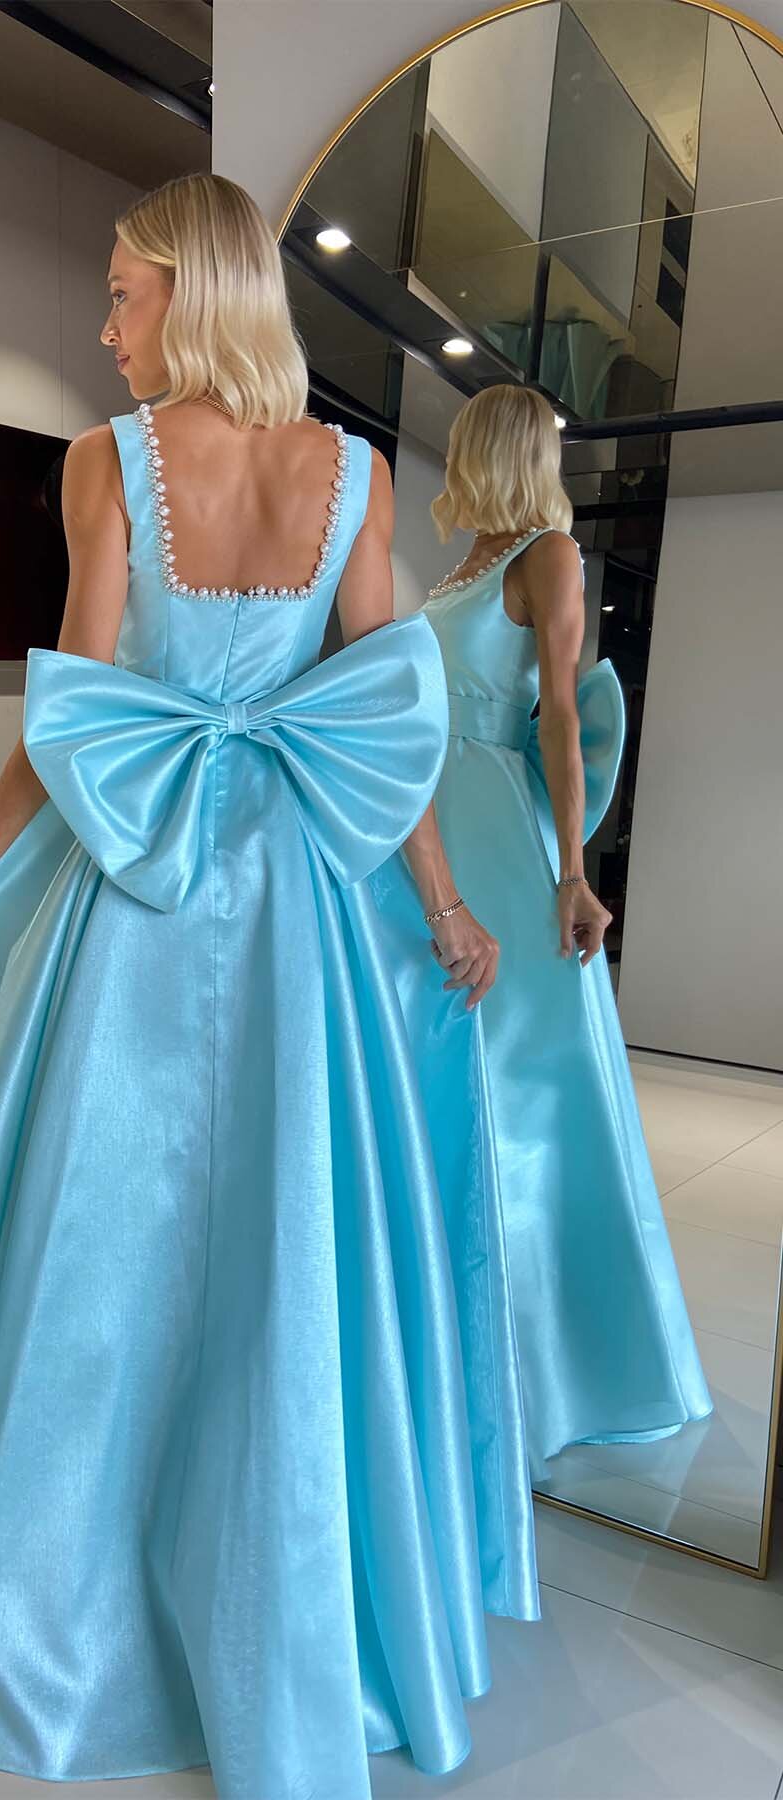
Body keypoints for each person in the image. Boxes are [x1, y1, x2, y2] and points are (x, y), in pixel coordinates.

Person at [0, 174, 538, 1797]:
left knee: (101, 1260)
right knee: (285, 1251)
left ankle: (63, 1604)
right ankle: (280, 1599)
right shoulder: (357, 476)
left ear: (193, 297)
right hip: (296, 915)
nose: (105, 328)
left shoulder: (109, 461)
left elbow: (70, 723)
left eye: (123, 295)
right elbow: (385, 735)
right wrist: (442, 908)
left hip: (141, 905)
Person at [417, 383, 712, 1477]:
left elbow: (558, 721)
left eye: (467, 441)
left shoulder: (549, 554)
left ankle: (551, 1362)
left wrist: (573, 872)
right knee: (440, 1062)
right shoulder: (465, 560)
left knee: (527, 1080)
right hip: (428, 820)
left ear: (490, 449)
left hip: (497, 820)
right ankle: (437, 1330)